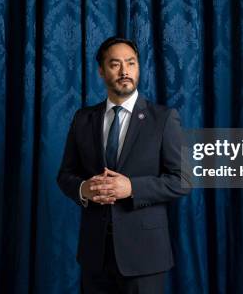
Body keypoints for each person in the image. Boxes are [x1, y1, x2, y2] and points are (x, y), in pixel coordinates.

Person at [57, 36, 191, 294]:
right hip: (95, 256)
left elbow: (182, 180)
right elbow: (65, 175)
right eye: (115, 64)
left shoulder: (163, 118)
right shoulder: (83, 119)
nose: (124, 71)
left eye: (131, 63)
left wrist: (131, 188)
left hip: (145, 257)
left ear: (139, 67)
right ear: (101, 70)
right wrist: (84, 189)